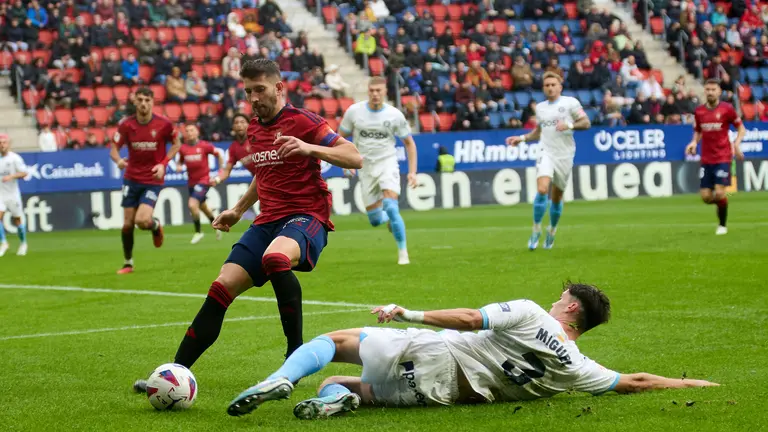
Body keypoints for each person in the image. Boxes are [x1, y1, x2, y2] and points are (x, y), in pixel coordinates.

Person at [133, 59, 363, 393]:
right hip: (266, 220)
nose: (254, 98)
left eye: (260, 89)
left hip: (306, 216)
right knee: (221, 287)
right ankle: (173, 373)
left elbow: (354, 156)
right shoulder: (255, 128)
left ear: (279, 88)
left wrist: (309, 148)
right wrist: (237, 209)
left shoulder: (304, 121)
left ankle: (294, 356)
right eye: (248, 91)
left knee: (275, 259)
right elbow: (263, 174)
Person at [227, 282, 719, 419]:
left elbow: (469, 319)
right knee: (336, 384)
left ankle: (277, 378)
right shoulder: (578, 366)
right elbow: (633, 382)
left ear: (570, 307)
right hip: (444, 395)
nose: (555, 299)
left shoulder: (531, 312)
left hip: (441, 354)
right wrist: (691, 383)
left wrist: (408, 313)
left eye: (561, 297)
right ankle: (339, 400)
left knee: (332, 344)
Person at [505, 72, 591, 250]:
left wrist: (570, 125)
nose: (550, 88)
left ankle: (551, 231)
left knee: (557, 198)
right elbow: (538, 132)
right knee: (542, 188)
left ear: (560, 86)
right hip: (546, 151)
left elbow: (586, 123)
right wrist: (520, 138)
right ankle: (536, 229)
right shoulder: (541, 108)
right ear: (543, 88)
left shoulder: (571, 103)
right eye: (547, 85)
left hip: (565, 155)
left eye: (553, 84)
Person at [339, 76, 418, 265]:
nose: (375, 94)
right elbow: (338, 138)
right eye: (372, 91)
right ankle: (390, 220)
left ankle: (403, 253)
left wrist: (413, 172)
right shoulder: (354, 112)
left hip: (387, 163)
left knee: (391, 206)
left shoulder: (394, 115)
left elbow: (410, 144)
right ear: (368, 91)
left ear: (385, 92)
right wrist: (345, 163)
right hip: (364, 168)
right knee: (375, 220)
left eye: (379, 91)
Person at [110, 87, 182, 274]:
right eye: (140, 100)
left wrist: (163, 164)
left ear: (152, 102)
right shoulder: (126, 125)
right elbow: (114, 149)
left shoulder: (164, 124)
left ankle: (155, 225)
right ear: (135, 101)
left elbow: (176, 144)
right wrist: (118, 161)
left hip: (152, 179)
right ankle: (128, 263)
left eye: (147, 100)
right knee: (127, 224)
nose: (143, 103)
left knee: (141, 221)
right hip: (131, 178)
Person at [685, 79, 745, 235]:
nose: (710, 92)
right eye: (708, 89)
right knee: (705, 197)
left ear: (719, 91)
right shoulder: (699, 112)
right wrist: (693, 142)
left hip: (723, 156)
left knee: (719, 192)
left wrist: (736, 144)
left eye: (713, 89)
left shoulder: (727, 109)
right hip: (706, 159)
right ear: (704, 91)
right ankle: (723, 203)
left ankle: (722, 225)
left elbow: (741, 129)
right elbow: (698, 131)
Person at [176, 124, 225, 244]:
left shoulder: (204, 146)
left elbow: (218, 154)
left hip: (203, 181)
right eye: (187, 131)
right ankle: (217, 225)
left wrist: (220, 170)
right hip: (191, 183)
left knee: (192, 204)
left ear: (197, 132)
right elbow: (180, 161)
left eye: (192, 130)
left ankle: (198, 232)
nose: (189, 132)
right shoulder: (183, 148)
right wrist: (178, 166)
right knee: (203, 207)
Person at [216, 113, 259, 221]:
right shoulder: (233, 148)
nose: (239, 125)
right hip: (259, 182)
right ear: (233, 128)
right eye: (236, 123)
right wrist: (216, 179)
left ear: (248, 125)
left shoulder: (257, 138)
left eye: (242, 122)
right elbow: (226, 171)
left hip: (272, 177)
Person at [0, 134, 29, 257]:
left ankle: (23, 243)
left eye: (4, 142)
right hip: (1, 194)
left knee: (17, 220)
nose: (2, 145)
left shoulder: (15, 158)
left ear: (9, 144)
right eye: (0, 143)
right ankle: (4, 243)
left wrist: (11, 176)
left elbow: (24, 173)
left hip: (12, 195)